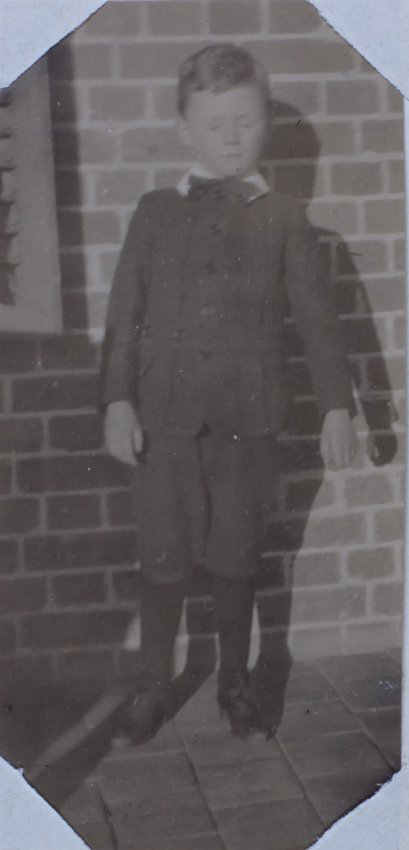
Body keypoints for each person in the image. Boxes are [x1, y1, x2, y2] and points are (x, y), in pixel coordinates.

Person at [99, 43, 357, 741]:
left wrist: (337, 402)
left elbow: (316, 318)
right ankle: (153, 685)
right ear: (185, 128)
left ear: (263, 124)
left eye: (243, 121)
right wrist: (117, 399)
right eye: (214, 125)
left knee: (236, 556)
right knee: (162, 558)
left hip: (249, 422)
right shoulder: (153, 214)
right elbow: (125, 315)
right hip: (164, 424)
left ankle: (235, 683)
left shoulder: (282, 218)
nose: (230, 138)